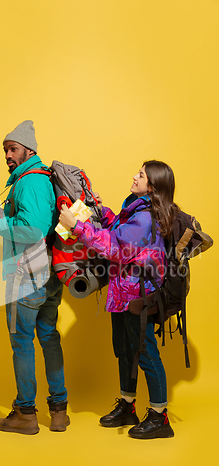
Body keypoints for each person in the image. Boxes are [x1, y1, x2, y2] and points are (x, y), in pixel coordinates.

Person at [59, 160, 178, 439]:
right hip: (123, 293)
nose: (134, 177)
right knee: (125, 350)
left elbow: (115, 247)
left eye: (140, 175)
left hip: (139, 296)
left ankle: (160, 418)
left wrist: (76, 225)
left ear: (152, 185)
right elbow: (118, 230)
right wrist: (102, 211)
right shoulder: (135, 208)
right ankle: (127, 405)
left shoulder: (146, 217)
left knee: (146, 354)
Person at [0, 120, 69, 435]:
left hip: (27, 272)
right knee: (48, 336)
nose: (7, 154)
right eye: (5, 149)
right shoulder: (40, 178)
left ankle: (26, 414)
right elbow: (38, 221)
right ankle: (59, 411)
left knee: (22, 342)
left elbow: (33, 229)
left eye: (13, 148)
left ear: (28, 150)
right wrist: (8, 217)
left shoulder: (28, 182)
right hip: (49, 273)